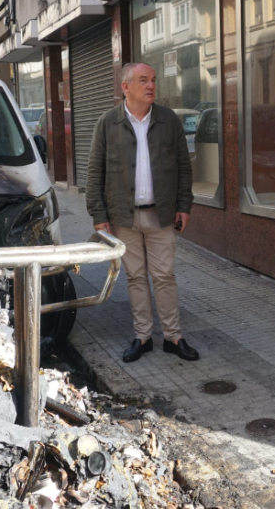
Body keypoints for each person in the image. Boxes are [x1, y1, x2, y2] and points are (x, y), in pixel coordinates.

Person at [86, 62, 199, 363]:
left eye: (153, 80)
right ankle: (143, 337)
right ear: (125, 87)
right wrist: (99, 214)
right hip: (123, 216)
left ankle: (174, 338)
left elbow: (184, 167)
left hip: (161, 214)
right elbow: (95, 171)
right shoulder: (107, 123)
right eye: (143, 81)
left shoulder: (168, 120)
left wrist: (184, 206)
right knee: (136, 278)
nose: (150, 86)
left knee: (164, 276)